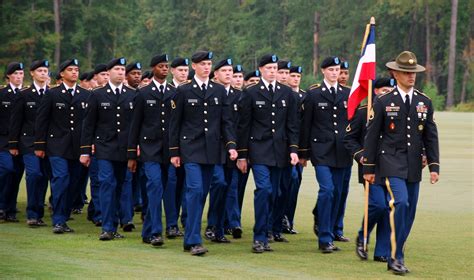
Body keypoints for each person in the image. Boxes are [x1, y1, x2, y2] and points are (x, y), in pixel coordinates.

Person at [363, 51, 439, 275]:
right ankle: (396, 257)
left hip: (414, 164)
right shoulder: (384, 101)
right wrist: (368, 167)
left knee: (410, 211)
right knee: (401, 203)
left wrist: (434, 165)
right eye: (406, 72)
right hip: (390, 161)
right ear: (395, 73)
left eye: (413, 73)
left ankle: (394, 254)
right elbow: (371, 135)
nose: (411, 77)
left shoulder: (424, 101)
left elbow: (430, 136)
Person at [169, 50, 237, 256]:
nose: (207, 67)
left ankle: (190, 238)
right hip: (190, 149)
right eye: (203, 64)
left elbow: (226, 121)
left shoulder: (219, 91)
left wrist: (231, 145)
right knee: (196, 190)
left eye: (209, 64)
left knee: (201, 194)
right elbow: (175, 124)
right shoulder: (183, 91)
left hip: (212, 150)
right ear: (194, 66)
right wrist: (174, 151)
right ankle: (193, 239)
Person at [237, 54, 299, 253]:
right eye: (269, 68)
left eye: (275, 68)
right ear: (261, 69)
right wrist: (242, 154)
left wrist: (293, 150)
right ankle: (259, 236)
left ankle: (269, 231)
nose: (273, 71)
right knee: (264, 190)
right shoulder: (251, 92)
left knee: (276, 192)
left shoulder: (287, 93)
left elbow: (292, 126)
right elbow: (244, 125)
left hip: (280, 151)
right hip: (258, 149)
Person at [299, 56, 352, 253]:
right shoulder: (313, 94)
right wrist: (303, 153)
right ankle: (324, 238)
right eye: (330, 70)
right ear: (323, 71)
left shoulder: (348, 94)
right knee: (327, 190)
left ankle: (327, 229)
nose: (334, 73)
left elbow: (354, 124)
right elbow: (306, 125)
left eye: (337, 70)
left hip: (342, 152)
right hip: (321, 150)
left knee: (337, 194)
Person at [80, 57, 136, 240]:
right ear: (109, 72)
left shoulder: (132, 94)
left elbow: (137, 124)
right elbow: (88, 125)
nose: (120, 72)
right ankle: (107, 226)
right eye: (117, 69)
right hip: (104, 147)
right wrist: (85, 150)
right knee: (106, 183)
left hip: (124, 148)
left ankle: (115, 223)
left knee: (120, 186)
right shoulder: (97, 94)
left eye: (122, 69)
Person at [35, 58, 90, 234]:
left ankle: (63, 218)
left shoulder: (85, 94)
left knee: (73, 184)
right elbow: (42, 120)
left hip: (77, 147)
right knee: (61, 179)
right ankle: (58, 220)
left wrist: (87, 147)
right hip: (56, 145)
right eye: (71, 70)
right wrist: (40, 145)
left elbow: (88, 124)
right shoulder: (52, 94)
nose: (74, 72)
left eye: (76, 69)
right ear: (62, 73)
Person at [344, 77, 395, 263]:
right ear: (375, 91)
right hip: (371, 168)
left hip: (392, 166)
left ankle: (382, 251)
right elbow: (349, 139)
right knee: (378, 205)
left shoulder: (396, 111)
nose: (388, 93)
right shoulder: (364, 112)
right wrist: (361, 156)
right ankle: (362, 236)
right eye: (384, 90)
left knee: (389, 208)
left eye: (391, 90)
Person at [9, 60, 51, 227]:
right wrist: (13, 144)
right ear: (32, 73)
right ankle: (32, 214)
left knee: (44, 177)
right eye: (40, 70)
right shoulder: (24, 94)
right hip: (28, 142)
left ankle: (38, 212)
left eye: (45, 71)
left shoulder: (52, 93)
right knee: (34, 175)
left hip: (49, 142)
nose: (43, 73)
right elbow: (15, 121)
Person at [206, 58, 242, 242]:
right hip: (213, 148)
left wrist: (240, 151)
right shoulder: (211, 93)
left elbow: (242, 126)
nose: (229, 74)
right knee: (218, 183)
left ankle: (220, 229)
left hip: (231, 150)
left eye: (231, 71)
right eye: (225, 71)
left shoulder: (239, 96)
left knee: (229, 187)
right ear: (216, 74)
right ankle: (212, 224)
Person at [0, 62, 26, 222]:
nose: (18, 77)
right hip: (3, 140)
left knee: (16, 175)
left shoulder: (25, 94)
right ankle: (2, 205)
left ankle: (10, 209)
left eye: (21, 74)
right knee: (7, 170)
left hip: (21, 141)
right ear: (9, 75)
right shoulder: (2, 94)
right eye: (15, 73)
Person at [282, 65, 306, 234]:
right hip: (282, 146)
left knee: (295, 184)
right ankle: (279, 218)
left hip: (297, 147)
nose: (295, 78)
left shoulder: (305, 96)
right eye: (292, 75)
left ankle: (288, 219)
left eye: (298, 75)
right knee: (286, 182)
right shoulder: (283, 95)